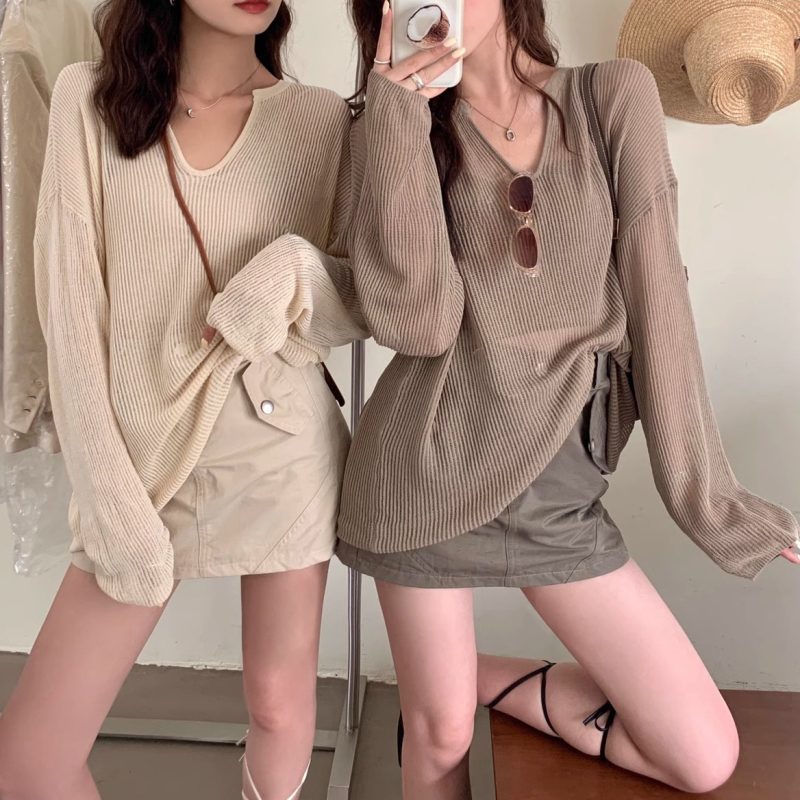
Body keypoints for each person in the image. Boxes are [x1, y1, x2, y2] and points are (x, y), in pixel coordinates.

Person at [335, 1, 800, 797]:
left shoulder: (612, 95)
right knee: (440, 739)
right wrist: (396, 118)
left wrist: (712, 500)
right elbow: (418, 324)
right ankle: (441, 701)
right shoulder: (384, 127)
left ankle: (473, 681)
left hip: (557, 486)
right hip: (425, 475)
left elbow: (659, 299)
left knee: (701, 754)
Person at [0, 1, 367, 799]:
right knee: (30, 759)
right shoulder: (86, 100)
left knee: (278, 707)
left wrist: (295, 270)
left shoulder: (319, 120)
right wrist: (109, 501)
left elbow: (361, 301)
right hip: (142, 463)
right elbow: (70, 318)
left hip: (279, 446)